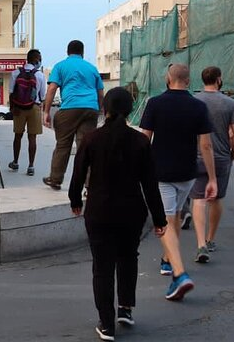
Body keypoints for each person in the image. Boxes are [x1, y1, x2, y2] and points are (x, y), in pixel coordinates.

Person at [70, 87, 167, 341]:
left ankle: (106, 323)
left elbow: (78, 173)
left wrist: (74, 200)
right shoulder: (141, 141)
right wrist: (159, 219)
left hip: (99, 210)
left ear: (106, 109)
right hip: (132, 211)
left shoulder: (92, 139)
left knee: (102, 267)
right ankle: (125, 308)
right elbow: (150, 183)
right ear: (131, 109)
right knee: (128, 258)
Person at [139, 63, 217, 301]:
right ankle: (167, 260)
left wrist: (137, 169)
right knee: (174, 218)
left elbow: (145, 139)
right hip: (187, 172)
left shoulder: (155, 103)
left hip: (161, 172)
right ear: (188, 80)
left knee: (166, 221)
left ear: (167, 78)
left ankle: (180, 273)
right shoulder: (198, 106)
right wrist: (212, 178)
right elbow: (205, 144)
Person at [190, 66, 234, 262]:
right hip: (221, 157)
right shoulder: (230, 103)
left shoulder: (194, 101)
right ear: (219, 79)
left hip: (196, 156)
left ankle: (200, 244)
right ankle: (210, 238)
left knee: (198, 199)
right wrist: (232, 155)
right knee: (216, 198)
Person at [42, 40, 104, 190]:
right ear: (82, 52)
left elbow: (51, 89)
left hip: (69, 108)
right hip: (90, 109)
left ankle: (55, 179)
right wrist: (99, 110)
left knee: (63, 145)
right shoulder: (91, 68)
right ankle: (89, 185)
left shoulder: (61, 66)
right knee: (86, 147)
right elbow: (100, 92)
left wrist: (46, 112)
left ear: (67, 52)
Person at [7, 49, 46, 176]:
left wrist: (13, 108)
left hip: (19, 108)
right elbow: (42, 96)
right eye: (39, 59)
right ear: (36, 60)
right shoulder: (40, 75)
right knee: (32, 137)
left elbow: (11, 93)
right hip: (34, 107)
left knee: (17, 136)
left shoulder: (15, 73)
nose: (40, 61)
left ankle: (15, 161)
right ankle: (31, 166)